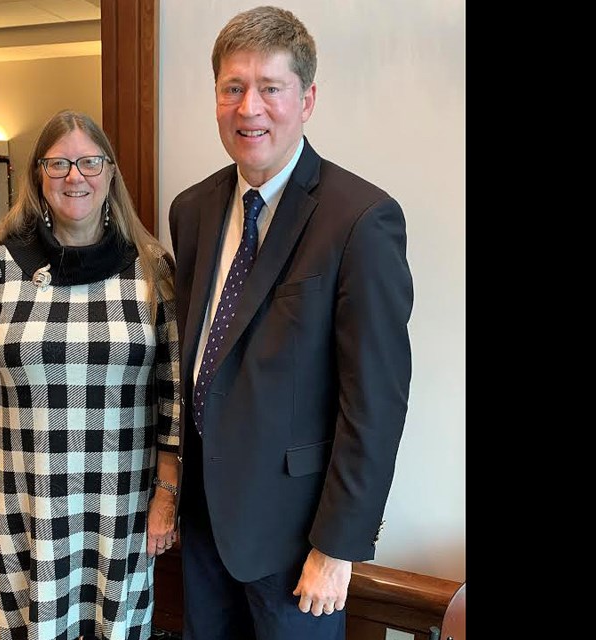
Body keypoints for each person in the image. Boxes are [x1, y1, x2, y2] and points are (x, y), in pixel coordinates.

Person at [167, 6, 414, 639]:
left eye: (270, 88)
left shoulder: (360, 219)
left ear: (306, 100)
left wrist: (338, 548)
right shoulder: (192, 210)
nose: (249, 107)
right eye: (232, 88)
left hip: (296, 542)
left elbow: (375, 403)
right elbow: (201, 361)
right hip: (204, 523)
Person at [0, 109, 181, 640]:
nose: (74, 176)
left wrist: (166, 497)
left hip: (121, 505)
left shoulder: (151, 269)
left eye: (88, 162)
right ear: (39, 176)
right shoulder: (0, 267)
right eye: (58, 164)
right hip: (32, 505)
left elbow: (173, 398)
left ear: (108, 173)